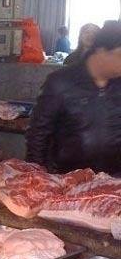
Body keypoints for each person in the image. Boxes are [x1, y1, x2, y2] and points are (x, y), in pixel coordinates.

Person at [26, 21, 121, 175]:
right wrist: (39, 179)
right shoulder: (61, 83)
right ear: (102, 51)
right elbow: (38, 135)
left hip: (113, 182)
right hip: (67, 180)